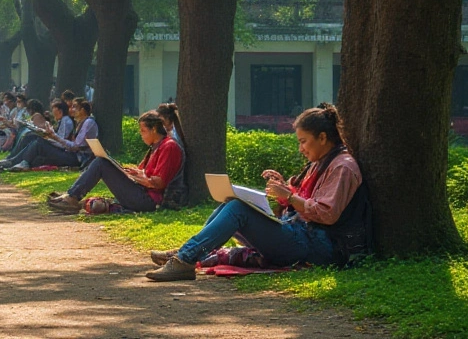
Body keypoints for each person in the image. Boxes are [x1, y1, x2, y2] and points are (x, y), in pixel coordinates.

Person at [147, 103, 369, 281]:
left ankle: (185, 258)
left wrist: (290, 196)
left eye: (304, 142)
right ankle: (187, 252)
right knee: (230, 203)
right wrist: (285, 188)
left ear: (322, 137)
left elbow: (327, 213)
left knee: (237, 209)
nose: (301, 148)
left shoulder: (342, 166)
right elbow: (305, 199)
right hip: (300, 233)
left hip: (319, 245)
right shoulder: (320, 162)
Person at [47, 110, 185, 215]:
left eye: (143, 131)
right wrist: (130, 171)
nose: (141, 135)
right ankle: (72, 195)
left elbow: (158, 182)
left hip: (150, 200)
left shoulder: (169, 146)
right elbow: (145, 171)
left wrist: (136, 177)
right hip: (143, 193)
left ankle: (72, 197)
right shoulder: (156, 146)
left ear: (154, 129)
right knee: (104, 162)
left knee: (101, 163)